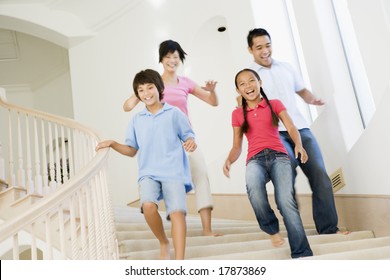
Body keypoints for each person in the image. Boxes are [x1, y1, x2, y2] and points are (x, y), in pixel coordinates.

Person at [246, 28, 348, 235]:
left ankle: (328, 229)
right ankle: (296, 229)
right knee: (286, 181)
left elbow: (301, 91)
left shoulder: (286, 68)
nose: (265, 51)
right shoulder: (250, 77)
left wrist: (313, 99)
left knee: (320, 174)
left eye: (267, 45)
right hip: (275, 135)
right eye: (259, 48)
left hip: (301, 129)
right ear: (250, 50)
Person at [123, 40, 221, 237]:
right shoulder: (152, 83)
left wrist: (212, 91)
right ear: (161, 59)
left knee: (201, 174)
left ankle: (207, 229)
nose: (172, 60)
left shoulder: (185, 83)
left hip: (186, 140)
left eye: (176, 57)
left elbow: (212, 102)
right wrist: (139, 92)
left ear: (180, 59)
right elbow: (127, 106)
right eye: (168, 57)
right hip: (163, 144)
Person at [96, 69, 197, 260]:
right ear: (137, 95)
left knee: (177, 213)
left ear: (159, 88)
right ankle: (163, 242)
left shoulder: (174, 113)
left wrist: (191, 141)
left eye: (150, 87)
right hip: (148, 173)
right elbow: (132, 150)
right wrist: (113, 144)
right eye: (141, 90)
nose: (146, 93)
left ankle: (180, 262)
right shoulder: (136, 120)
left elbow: (189, 135)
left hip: (173, 171)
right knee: (149, 206)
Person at [223, 68, 313, 258]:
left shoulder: (274, 104)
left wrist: (298, 144)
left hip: (279, 157)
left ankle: (302, 253)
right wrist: (229, 160)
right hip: (255, 159)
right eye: (242, 84)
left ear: (259, 82)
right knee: (254, 190)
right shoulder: (237, 114)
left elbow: (290, 127)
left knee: (285, 202)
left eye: (251, 81)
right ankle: (272, 229)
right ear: (238, 91)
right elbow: (237, 146)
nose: (248, 86)